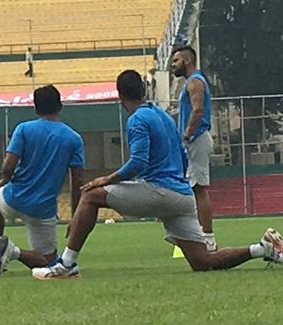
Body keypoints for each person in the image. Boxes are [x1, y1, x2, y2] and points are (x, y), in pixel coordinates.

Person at [31, 70, 283, 280]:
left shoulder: (137, 119)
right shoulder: (163, 115)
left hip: (160, 192)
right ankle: (261, 249)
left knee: (91, 194)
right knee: (203, 262)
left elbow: (138, 162)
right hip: (182, 196)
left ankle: (67, 264)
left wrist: (107, 179)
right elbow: (183, 156)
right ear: (144, 90)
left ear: (120, 96)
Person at [0, 85, 85, 277]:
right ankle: (12, 253)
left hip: (14, 197)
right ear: (60, 106)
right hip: (42, 210)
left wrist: (3, 180)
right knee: (49, 263)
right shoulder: (74, 138)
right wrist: (76, 215)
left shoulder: (24, 129)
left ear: (35, 109)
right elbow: (77, 181)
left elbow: (9, 165)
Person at [171, 45, 216, 251]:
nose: (173, 65)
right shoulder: (190, 82)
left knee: (199, 188)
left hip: (196, 138)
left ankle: (208, 238)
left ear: (187, 61)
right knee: (191, 187)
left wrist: (187, 135)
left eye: (176, 61)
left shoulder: (196, 82)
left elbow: (198, 111)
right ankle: (189, 233)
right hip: (193, 139)